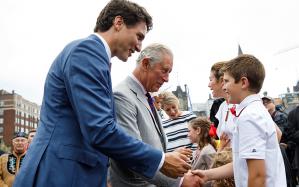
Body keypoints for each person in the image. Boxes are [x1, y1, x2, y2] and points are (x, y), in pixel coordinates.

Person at [13, 1, 190, 186]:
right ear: (118, 22)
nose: (139, 47)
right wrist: (160, 160)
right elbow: (100, 129)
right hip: (59, 174)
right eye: (138, 36)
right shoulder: (87, 52)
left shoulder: (95, 58)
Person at [110, 43, 202, 187]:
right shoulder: (122, 96)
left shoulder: (145, 95)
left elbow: (150, 147)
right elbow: (131, 156)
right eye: (165, 71)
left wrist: (168, 156)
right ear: (146, 64)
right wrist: (180, 181)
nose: (167, 79)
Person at [193, 54, 286, 187]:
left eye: (226, 81)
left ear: (243, 82)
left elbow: (257, 176)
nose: (224, 87)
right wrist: (207, 175)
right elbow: (241, 163)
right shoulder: (253, 110)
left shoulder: (249, 116)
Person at [262, 96, 296, 187]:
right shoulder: (267, 117)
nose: (265, 103)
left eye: (267, 102)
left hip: (285, 149)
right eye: (263, 102)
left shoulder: (280, 116)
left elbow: (277, 134)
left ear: (273, 103)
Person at [188, 117, 216, 187]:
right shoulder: (199, 149)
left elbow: (215, 177)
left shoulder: (208, 151)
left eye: (189, 131)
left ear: (198, 130)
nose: (188, 134)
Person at [208, 62, 226, 138]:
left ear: (222, 80)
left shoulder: (240, 107)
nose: (208, 85)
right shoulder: (223, 106)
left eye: (211, 79)